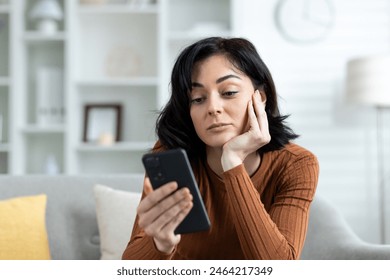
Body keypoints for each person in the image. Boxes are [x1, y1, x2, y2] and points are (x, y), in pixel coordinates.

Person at [122, 37, 319, 260]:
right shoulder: (170, 157)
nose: (213, 108)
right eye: (198, 98)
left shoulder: (296, 165)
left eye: (229, 92)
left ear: (259, 98)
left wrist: (232, 162)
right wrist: (161, 243)